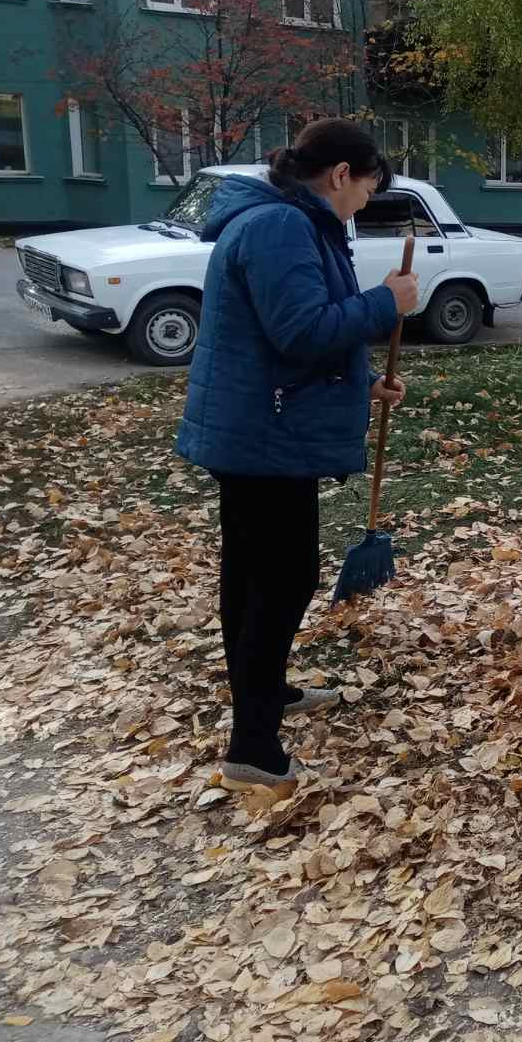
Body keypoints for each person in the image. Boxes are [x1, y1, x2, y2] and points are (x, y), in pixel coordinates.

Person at [175, 119, 419, 791]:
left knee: (253, 577)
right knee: (280, 581)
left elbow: (279, 336)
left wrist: (363, 381)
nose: (364, 204)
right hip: (264, 440)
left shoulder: (291, 222)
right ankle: (254, 747)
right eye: (366, 190)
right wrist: (385, 302)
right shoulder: (283, 227)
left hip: (260, 427)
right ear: (340, 175)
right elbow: (301, 330)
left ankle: (265, 693)